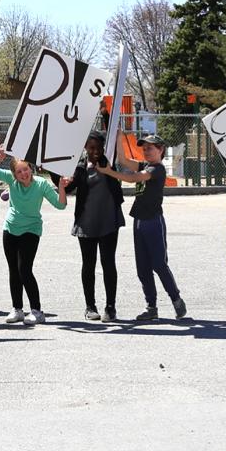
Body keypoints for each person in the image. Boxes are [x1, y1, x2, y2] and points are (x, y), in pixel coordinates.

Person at [98, 135, 186, 322]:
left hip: (154, 221)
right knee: (143, 268)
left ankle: (176, 299)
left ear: (161, 150)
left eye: (150, 148)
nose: (146, 151)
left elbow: (135, 178)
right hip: (139, 221)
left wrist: (109, 172)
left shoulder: (157, 169)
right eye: (144, 148)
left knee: (159, 264)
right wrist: (118, 137)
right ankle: (151, 307)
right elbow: (122, 160)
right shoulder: (144, 165)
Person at [0, 149, 70, 325]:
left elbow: (60, 205)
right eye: (19, 171)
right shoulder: (11, 180)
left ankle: (37, 311)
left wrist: (61, 187)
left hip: (31, 230)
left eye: (26, 169)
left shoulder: (41, 184)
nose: (23, 174)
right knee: (13, 270)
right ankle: (17, 309)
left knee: (25, 269)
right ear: (14, 174)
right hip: (10, 229)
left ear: (31, 168)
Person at [68, 133, 126, 322]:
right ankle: (90, 306)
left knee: (108, 263)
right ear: (85, 147)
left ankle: (111, 307)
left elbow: (115, 144)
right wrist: (55, 174)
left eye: (98, 148)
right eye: (91, 148)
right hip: (86, 222)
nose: (95, 152)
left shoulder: (108, 163)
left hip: (109, 220)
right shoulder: (80, 167)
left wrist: (111, 120)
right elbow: (68, 188)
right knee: (88, 264)